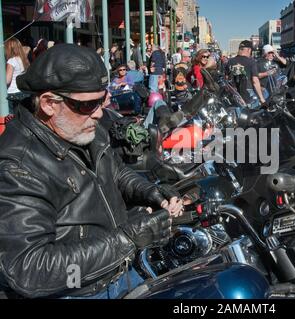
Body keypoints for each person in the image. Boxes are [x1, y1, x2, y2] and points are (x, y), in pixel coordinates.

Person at [0, 44, 183, 299]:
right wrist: (127, 239)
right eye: (87, 104)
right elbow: (28, 269)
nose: (99, 113)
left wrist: (152, 192)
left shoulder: (82, 126)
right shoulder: (17, 165)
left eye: (101, 99)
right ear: (49, 104)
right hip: (78, 291)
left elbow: (114, 172)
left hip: (120, 270)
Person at [226, 40, 266, 107]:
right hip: (248, 92)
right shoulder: (251, 62)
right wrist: (262, 99)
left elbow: (227, 78)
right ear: (249, 50)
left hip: (234, 93)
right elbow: (255, 81)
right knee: (251, 115)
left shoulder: (230, 61)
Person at [5, 37, 30, 114]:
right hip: (23, 92)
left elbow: (7, 80)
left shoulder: (11, 61)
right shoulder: (23, 59)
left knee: (11, 119)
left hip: (12, 94)